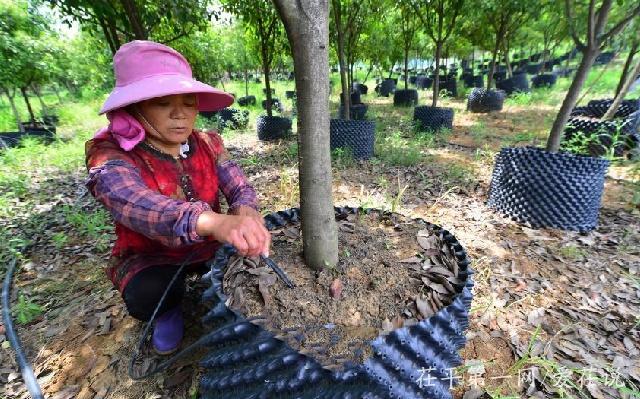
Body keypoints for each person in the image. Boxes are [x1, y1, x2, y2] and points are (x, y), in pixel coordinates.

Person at [85, 40, 271, 355]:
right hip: (151, 255)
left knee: (253, 262)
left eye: (188, 103)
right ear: (133, 107)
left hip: (211, 244)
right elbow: (134, 202)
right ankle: (167, 312)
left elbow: (236, 182)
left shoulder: (208, 143)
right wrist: (211, 220)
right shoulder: (110, 155)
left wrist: (245, 209)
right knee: (148, 293)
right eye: (161, 103)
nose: (179, 114)